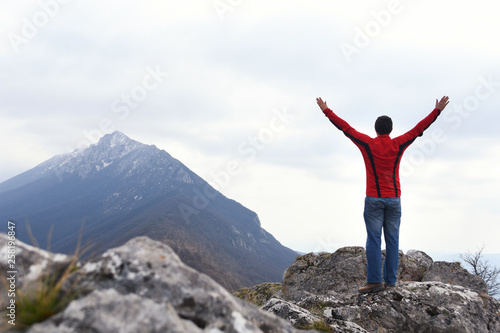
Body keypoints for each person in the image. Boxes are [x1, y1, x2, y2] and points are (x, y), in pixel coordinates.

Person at [316, 95, 449, 294]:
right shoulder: (398, 144)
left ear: (376, 129)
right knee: (393, 240)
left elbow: (346, 129)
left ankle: (374, 282)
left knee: (374, 240)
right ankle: (391, 282)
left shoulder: (368, 144)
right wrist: (437, 111)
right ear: (391, 130)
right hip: (394, 199)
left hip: (373, 200)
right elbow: (418, 129)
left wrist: (326, 111)